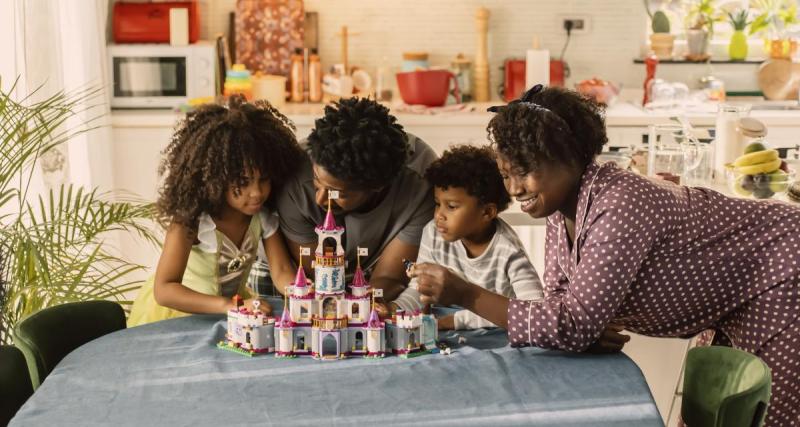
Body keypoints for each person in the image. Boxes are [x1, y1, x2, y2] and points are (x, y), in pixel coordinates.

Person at [413, 84, 800, 426]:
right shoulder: (559, 209)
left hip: (781, 266)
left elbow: (570, 323)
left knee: (766, 414)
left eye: (525, 172)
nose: (514, 188)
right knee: (716, 411)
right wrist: (580, 332)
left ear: (570, 157)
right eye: (506, 173)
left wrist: (466, 293)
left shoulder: (620, 203)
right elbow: (561, 308)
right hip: (736, 290)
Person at [128, 97, 303, 326]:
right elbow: (165, 290)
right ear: (216, 179)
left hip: (234, 311)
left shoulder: (262, 217)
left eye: (264, 180)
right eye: (243, 182)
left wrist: (300, 292)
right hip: (182, 315)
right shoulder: (191, 220)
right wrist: (229, 306)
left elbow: (280, 270)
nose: (257, 193)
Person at [275, 97, 436, 310]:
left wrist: (360, 306)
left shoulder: (421, 182)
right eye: (316, 183)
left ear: (378, 186)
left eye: (337, 192)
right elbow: (319, 273)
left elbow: (389, 277)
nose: (320, 199)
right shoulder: (293, 176)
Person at [392, 145, 543, 330]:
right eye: (438, 204)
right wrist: (396, 309)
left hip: (494, 332)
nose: (439, 215)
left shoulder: (509, 252)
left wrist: (453, 322)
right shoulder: (433, 232)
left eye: (452, 206)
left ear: (487, 212)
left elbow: (534, 311)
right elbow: (420, 287)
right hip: (442, 326)